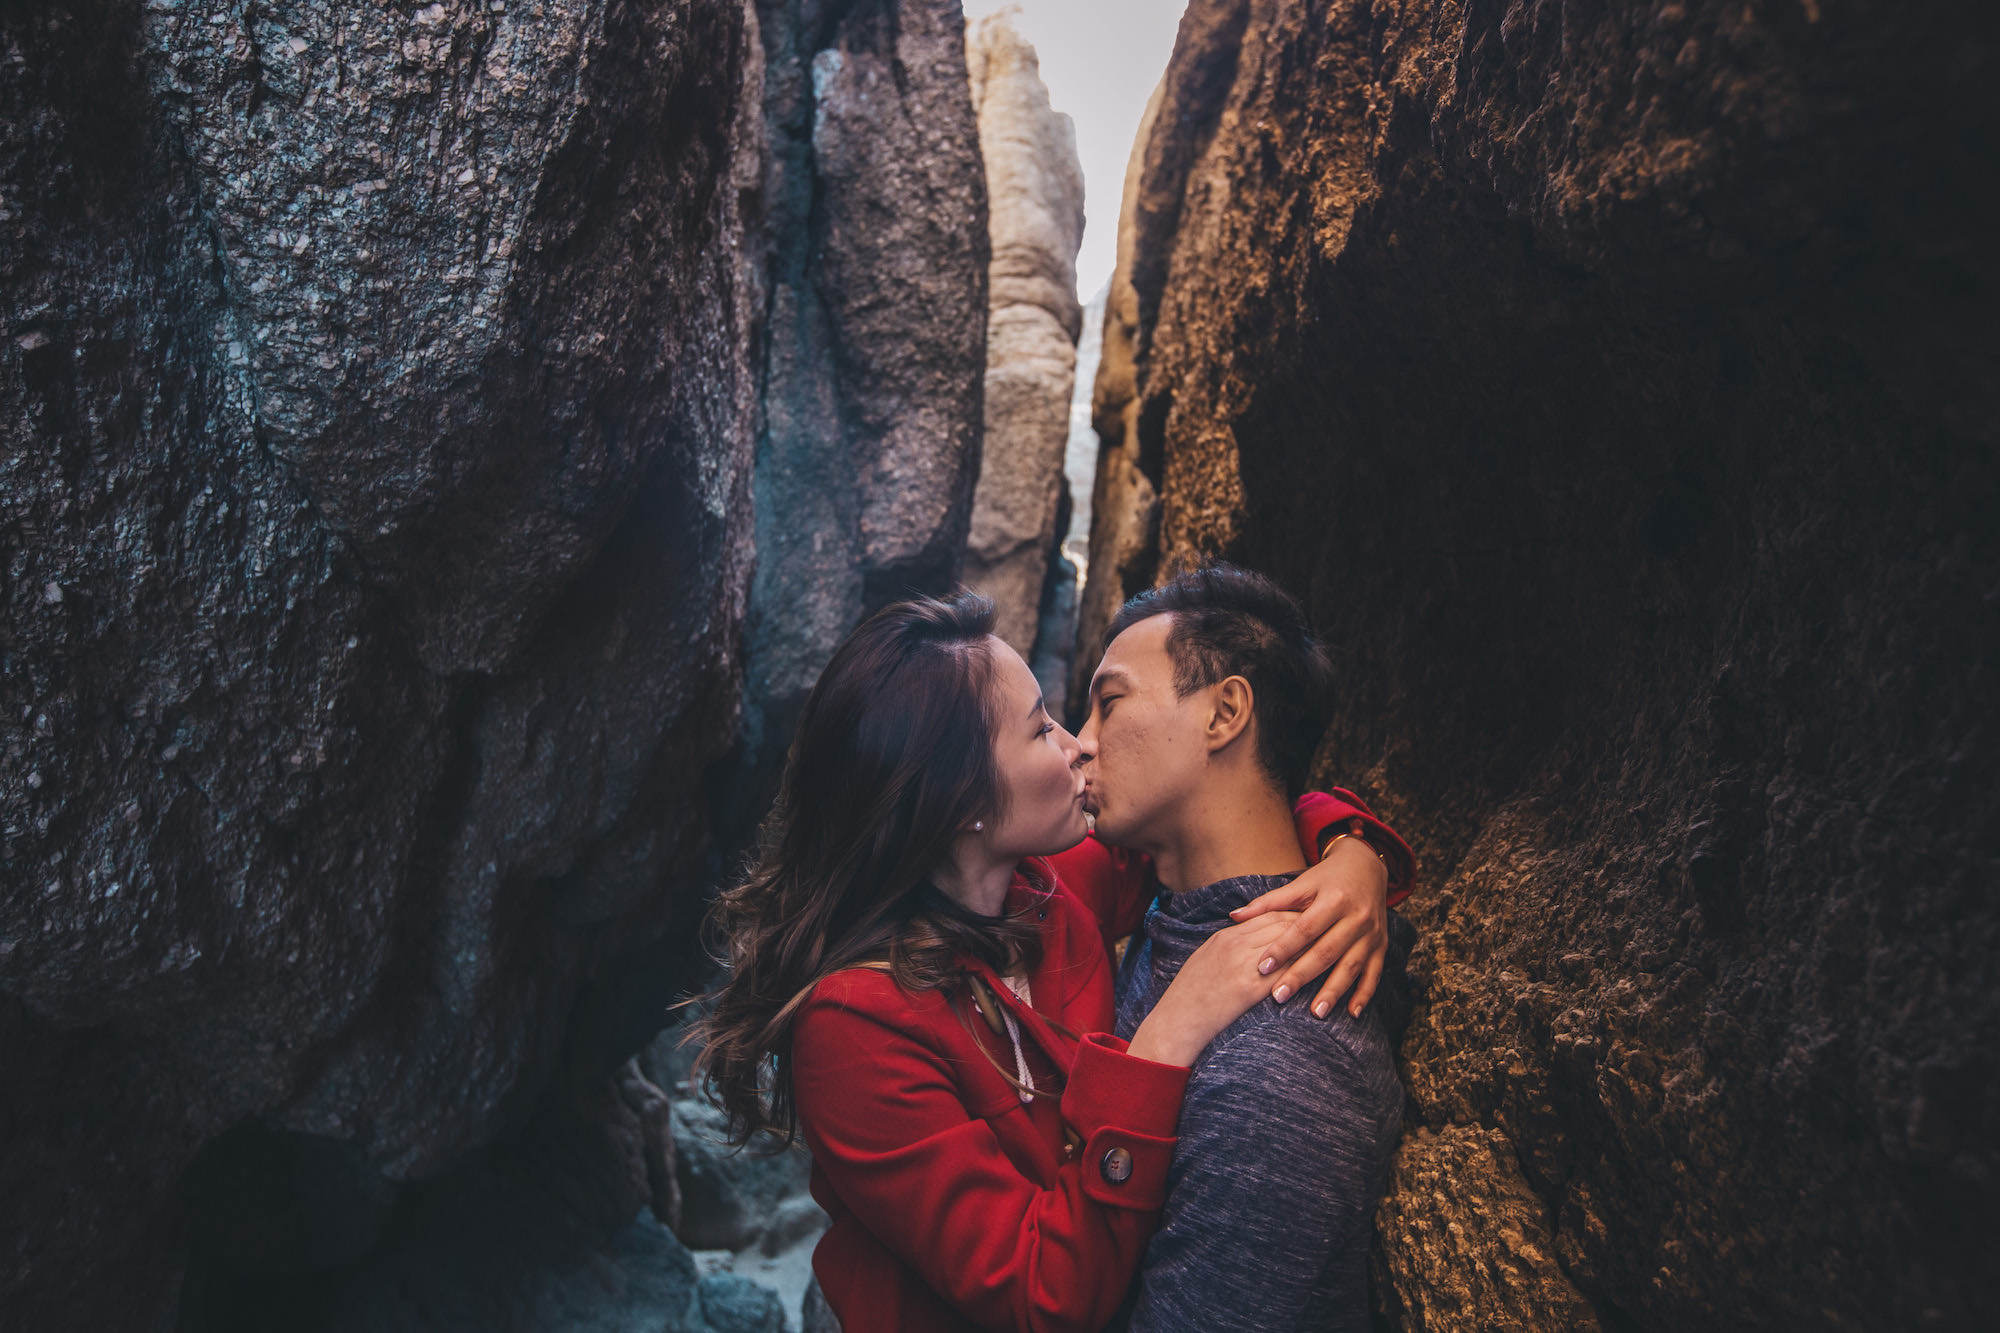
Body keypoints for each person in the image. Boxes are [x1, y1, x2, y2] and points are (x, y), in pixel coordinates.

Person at [693, 589, 1413, 1333]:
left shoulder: (1050, 892)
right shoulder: (853, 1027)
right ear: (960, 796)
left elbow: (1222, 816)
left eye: (1097, 708)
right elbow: (1041, 1296)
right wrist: (1164, 1039)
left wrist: (1355, 854)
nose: (1077, 743)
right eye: (1043, 728)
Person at [1080, 565, 1416, 1332]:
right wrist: (1354, 846)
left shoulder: (1281, 1060)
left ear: (1225, 712)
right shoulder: (1175, 914)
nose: (1080, 743)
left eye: (1108, 702)